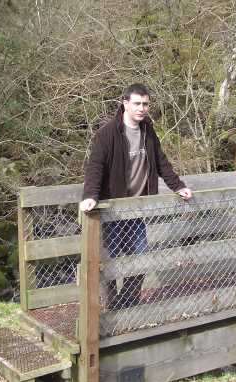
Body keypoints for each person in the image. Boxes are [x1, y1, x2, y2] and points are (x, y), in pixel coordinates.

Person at [80, 83, 192, 310]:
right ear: (125, 104)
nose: (142, 108)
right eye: (137, 103)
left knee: (140, 257)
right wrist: (91, 195)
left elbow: (161, 162)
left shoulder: (148, 131)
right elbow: (95, 167)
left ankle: (128, 303)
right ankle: (111, 306)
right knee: (110, 260)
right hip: (113, 209)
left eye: (146, 104)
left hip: (136, 208)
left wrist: (178, 186)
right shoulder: (107, 134)